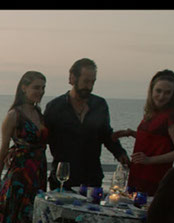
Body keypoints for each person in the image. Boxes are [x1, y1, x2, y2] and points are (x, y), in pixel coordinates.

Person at [43, 58, 129, 190]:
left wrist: (120, 154)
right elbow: (43, 138)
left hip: (92, 177)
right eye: (86, 81)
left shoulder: (99, 105)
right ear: (72, 78)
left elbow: (106, 134)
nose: (89, 86)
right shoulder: (55, 107)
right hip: (63, 178)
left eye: (93, 82)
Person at [112, 69, 174, 196]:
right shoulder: (153, 112)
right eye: (158, 91)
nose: (161, 96)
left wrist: (149, 160)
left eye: (167, 93)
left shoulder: (172, 116)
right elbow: (157, 139)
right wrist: (131, 133)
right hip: (138, 174)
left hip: (154, 178)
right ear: (151, 90)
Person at [0, 71, 49, 223]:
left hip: (38, 172)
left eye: (43, 88)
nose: (41, 92)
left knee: (32, 220)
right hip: (20, 175)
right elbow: (3, 149)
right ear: (24, 88)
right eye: (36, 87)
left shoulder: (39, 114)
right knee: (14, 219)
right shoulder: (14, 115)